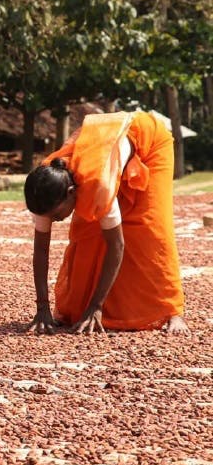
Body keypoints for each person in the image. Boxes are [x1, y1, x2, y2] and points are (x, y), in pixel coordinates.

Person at [24, 110, 188, 335]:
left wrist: (95, 307)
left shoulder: (97, 184)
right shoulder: (45, 184)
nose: (54, 221)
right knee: (87, 235)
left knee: (147, 229)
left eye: (56, 215)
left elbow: (117, 245)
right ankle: (84, 306)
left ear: (72, 192)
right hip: (105, 148)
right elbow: (41, 248)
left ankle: (171, 310)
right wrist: (42, 308)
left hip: (149, 142)